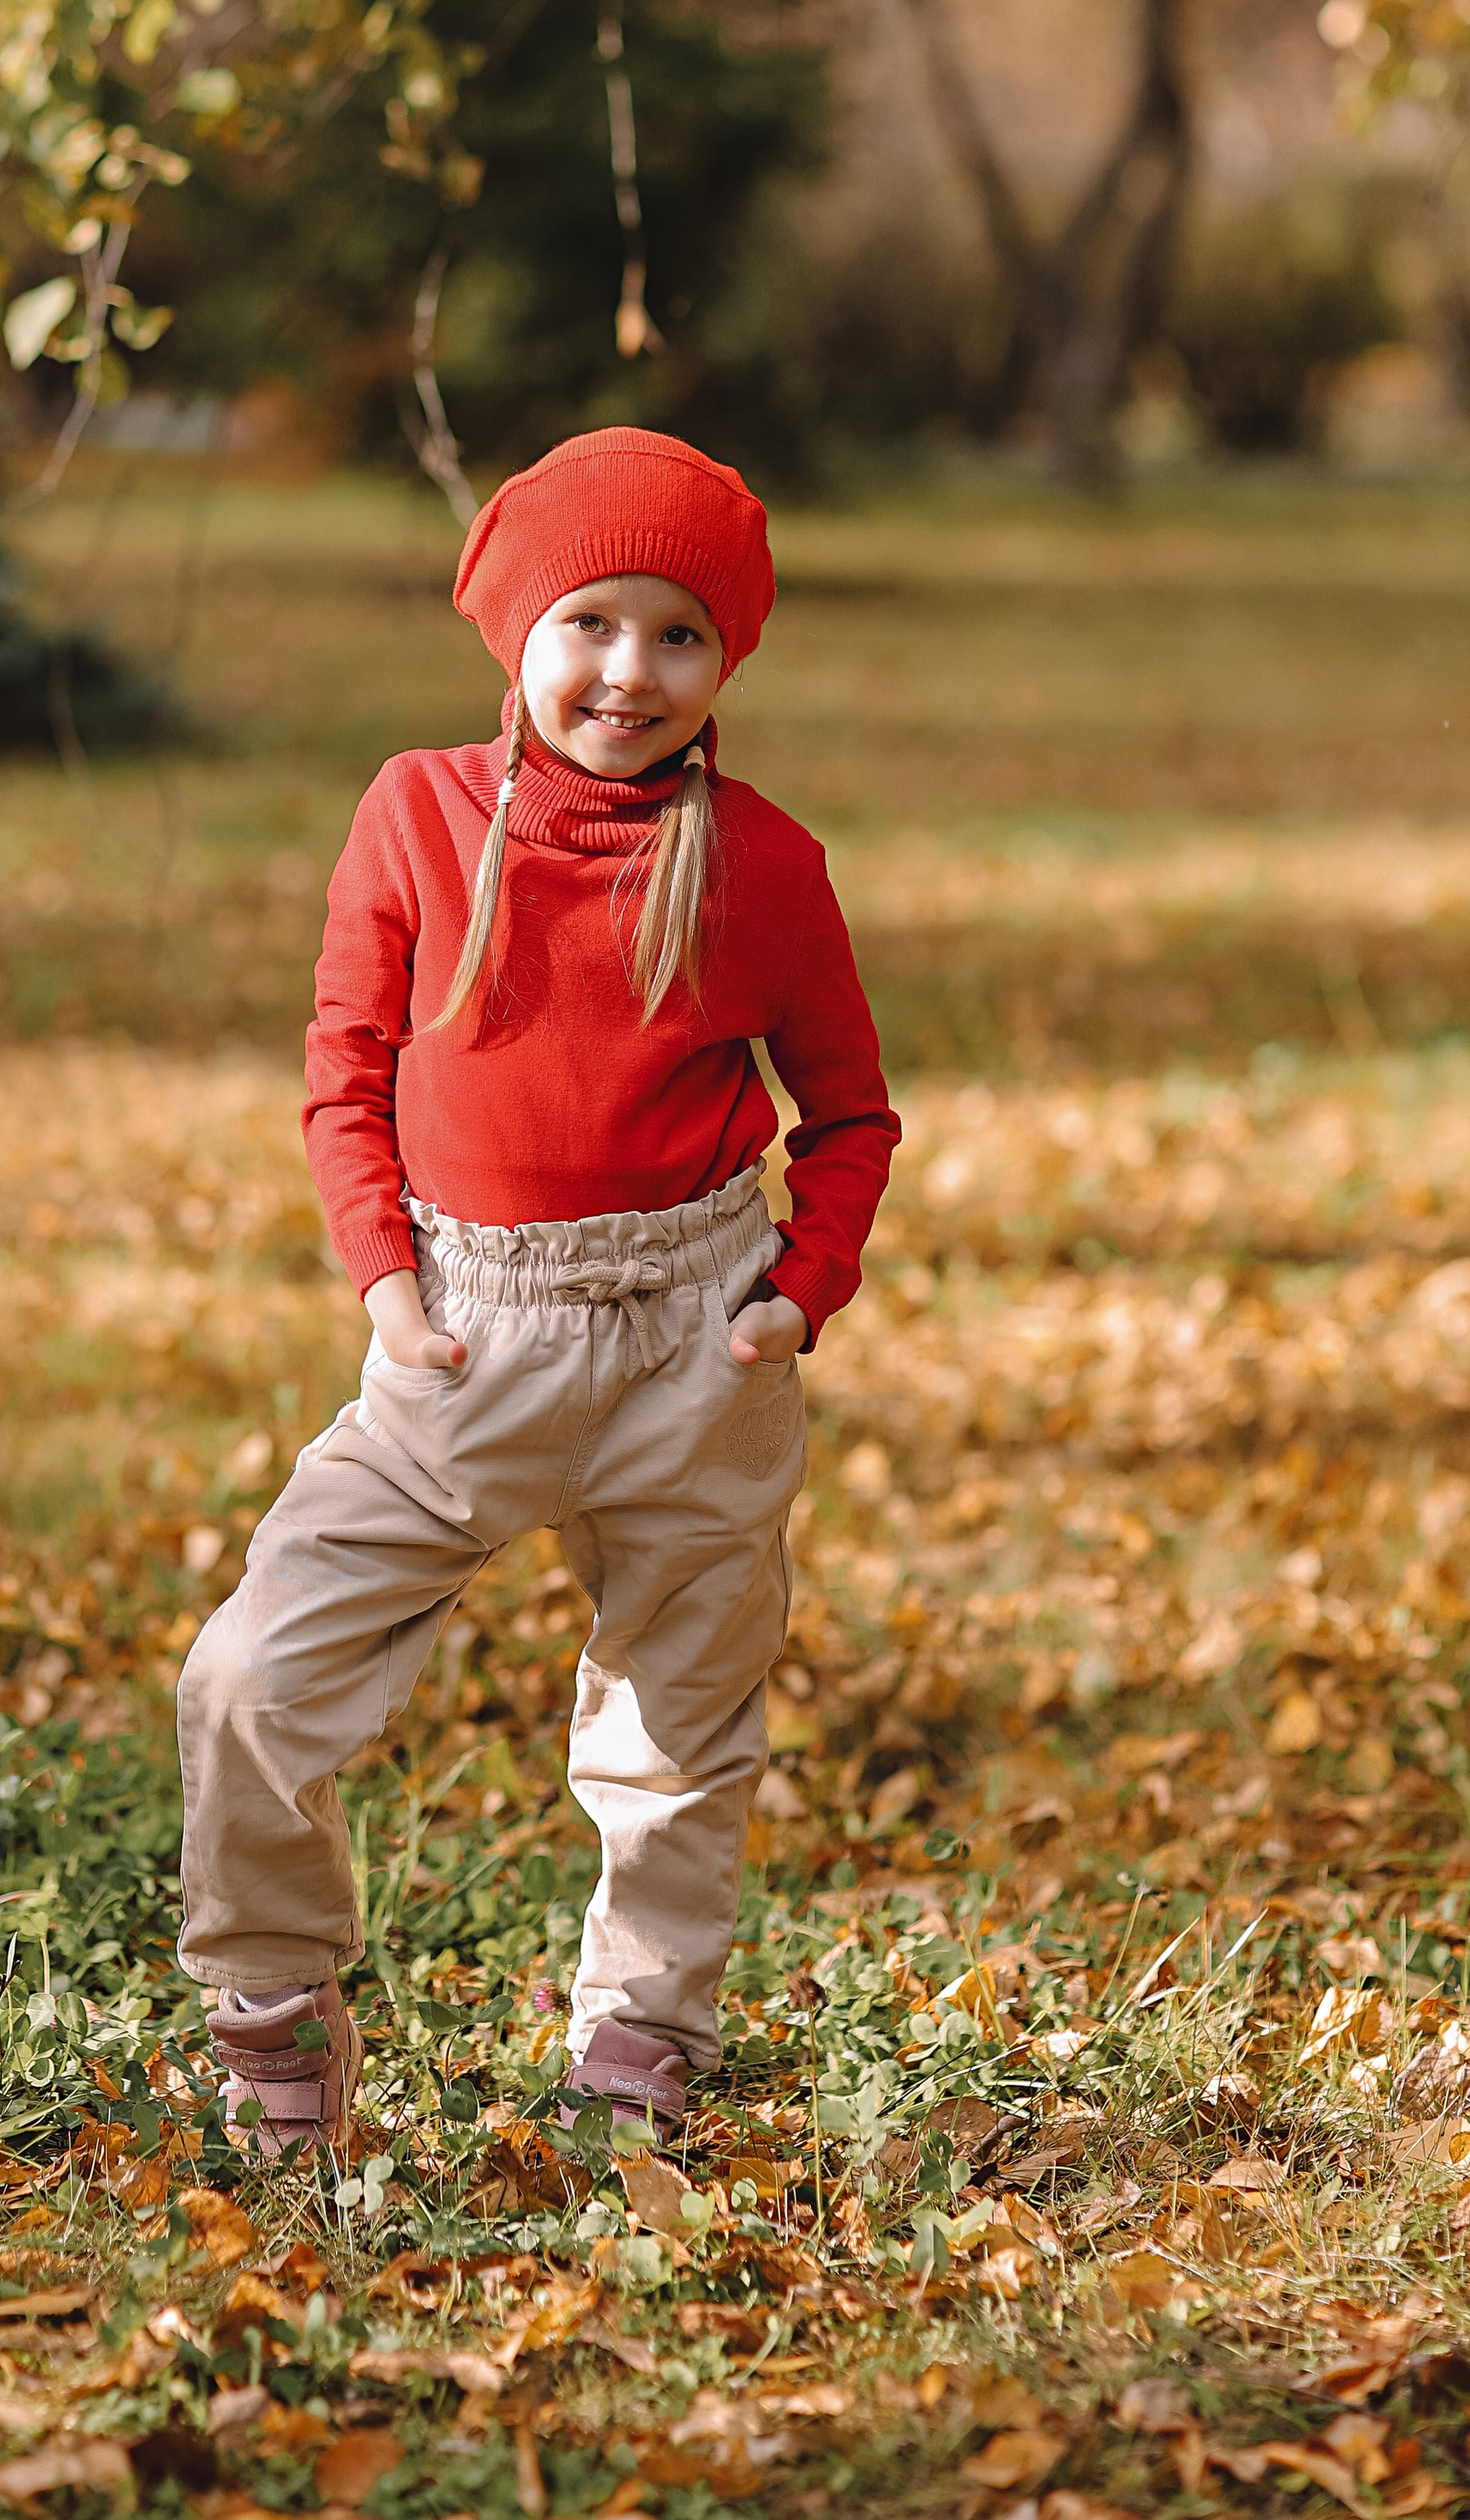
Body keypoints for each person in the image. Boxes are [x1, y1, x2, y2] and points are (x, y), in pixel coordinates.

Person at [176, 427, 899, 2152]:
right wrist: (381, 1284)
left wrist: (793, 1296)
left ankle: (640, 2028)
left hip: (694, 1335)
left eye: (676, 636)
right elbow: (345, 1061)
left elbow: (851, 1113)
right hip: (464, 1329)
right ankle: (273, 2009)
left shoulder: (765, 865)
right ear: (513, 629)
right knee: (249, 1679)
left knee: (676, 1719)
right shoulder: (416, 812)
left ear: (723, 659)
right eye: (587, 622)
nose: (625, 673)